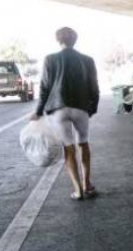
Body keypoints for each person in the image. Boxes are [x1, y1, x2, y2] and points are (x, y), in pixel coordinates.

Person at [31, 27, 99, 200]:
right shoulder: (87, 60)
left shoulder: (50, 59)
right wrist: (92, 108)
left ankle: (77, 190)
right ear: (75, 40)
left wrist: (38, 112)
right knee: (83, 143)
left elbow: (45, 87)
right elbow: (94, 86)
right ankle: (87, 184)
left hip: (58, 108)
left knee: (68, 147)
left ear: (58, 40)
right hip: (81, 107)